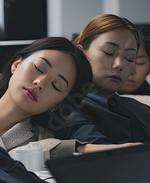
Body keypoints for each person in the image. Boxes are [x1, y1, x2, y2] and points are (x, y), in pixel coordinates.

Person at [0, 37, 137, 159]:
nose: (40, 83)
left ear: (58, 103)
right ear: (17, 64)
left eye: (57, 85)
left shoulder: (42, 142)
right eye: (39, 68)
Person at [56, 14, 150, 144]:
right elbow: (108, 159)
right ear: (81, 53)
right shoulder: (68, 112)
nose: (119, 64)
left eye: (129, 58)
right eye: (108, 52)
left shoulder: (139, 108)